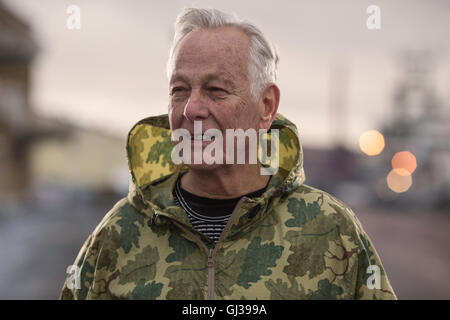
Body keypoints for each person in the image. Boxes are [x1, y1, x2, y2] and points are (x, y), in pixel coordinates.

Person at [60, 7, 396, 300]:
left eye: (215, 90)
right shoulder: (119, 232)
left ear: (266, 106)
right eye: (179, 90)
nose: (191, 109)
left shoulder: (331, 229)